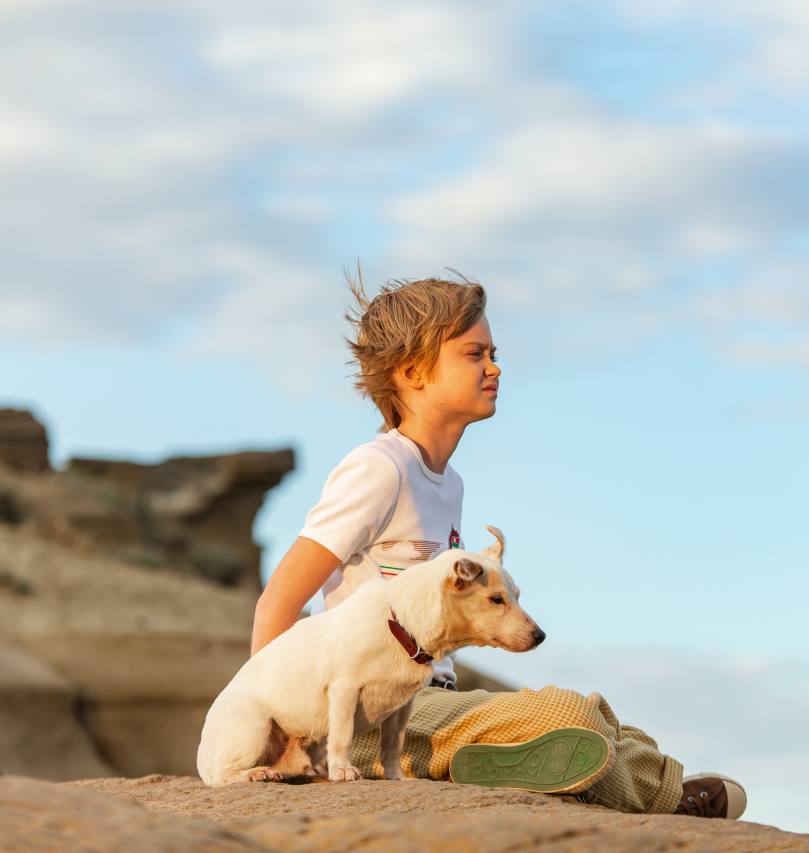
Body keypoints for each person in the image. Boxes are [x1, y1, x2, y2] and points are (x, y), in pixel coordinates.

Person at [250, 272, 747, 819]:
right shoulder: (378, 469)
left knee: (600, 720)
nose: (494, 367)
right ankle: (669, 799)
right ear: (412, 372)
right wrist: (283, 737)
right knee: (569, 718)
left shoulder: (446, 482)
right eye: (473, 354)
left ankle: (499, 762)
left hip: (427, 698)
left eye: (493, 352)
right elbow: (279, 600)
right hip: (367, 714)